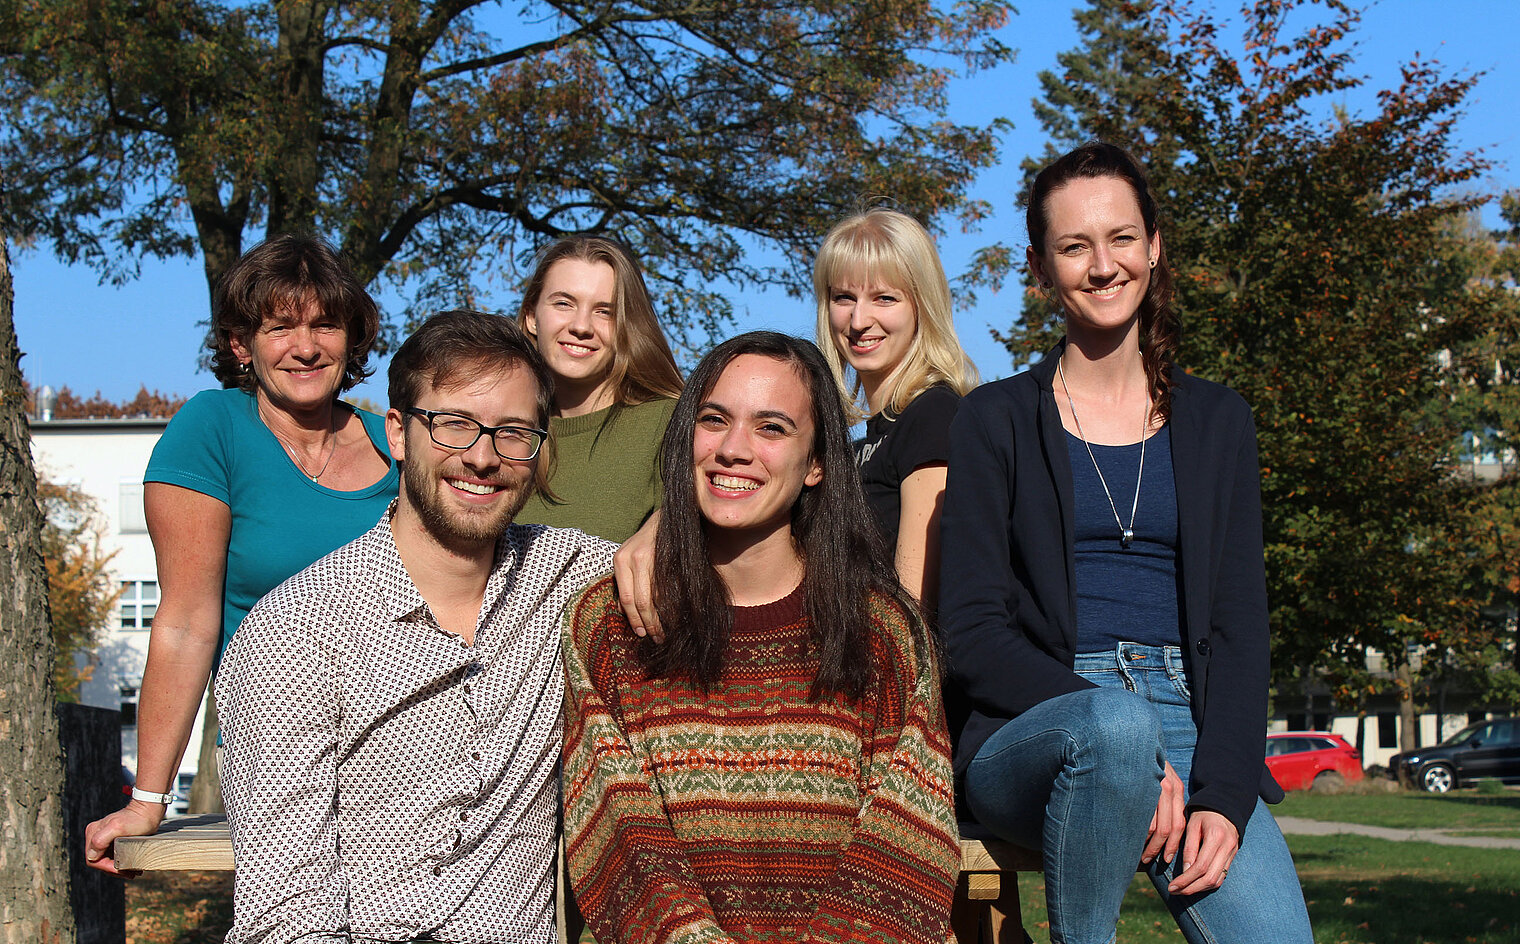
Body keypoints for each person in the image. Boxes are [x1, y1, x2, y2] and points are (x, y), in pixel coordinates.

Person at [937, 142, 1313, 944]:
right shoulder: (995, 420)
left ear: (1153, 247)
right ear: (1040, 267)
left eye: (1121, 238)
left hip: (1188, 713)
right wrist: (1112, 719)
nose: (1102, 265)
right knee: (1114, 727)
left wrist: (1223, 793)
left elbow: (1243, 627)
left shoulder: (1220, 421)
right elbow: (970, 632)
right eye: (1074, 246)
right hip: (1037, 722)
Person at [215, 311, 617, 944]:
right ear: (398, 434)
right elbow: (285, 913)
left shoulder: (571, 579)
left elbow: (712, 558)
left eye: (513, 432)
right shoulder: (293, 635)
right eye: (453, 425)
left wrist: (656, 536)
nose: (483, 458)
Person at [562, 332, 960, 944]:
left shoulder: (884, 634)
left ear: (818, 463)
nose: (732, 449)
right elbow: (619, 835)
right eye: (713, 420)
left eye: (771, 428)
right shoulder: (610, 627)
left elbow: (907, 845)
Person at [83, 235, 399, 872]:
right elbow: (184, 623)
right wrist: (148, 798)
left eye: (325, 325)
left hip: (410, 749)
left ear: (353, 339)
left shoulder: (394, 443)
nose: (305, 347)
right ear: (240, 344)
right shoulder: (212, 429)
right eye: (280, 326)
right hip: (284, 761)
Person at [813, 208, 979, 611]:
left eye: (884, 298)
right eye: (844, 297)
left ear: (922, 305)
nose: (858, 319)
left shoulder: (934, 415)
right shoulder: (859, 443)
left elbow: (914, 603)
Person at [515, 235, 684, 542]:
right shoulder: (500, 432)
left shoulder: (668, 424)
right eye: (564, 304)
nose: (581, 326)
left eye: (604, 311)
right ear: (531, 316)